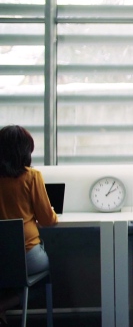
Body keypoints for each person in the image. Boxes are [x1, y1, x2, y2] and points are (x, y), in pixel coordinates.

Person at [0, 125, 59, 326]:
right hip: (27, 255)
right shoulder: (32, 177)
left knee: (7, 278)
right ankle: (4, 305)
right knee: (46, 278)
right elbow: (48, 220)